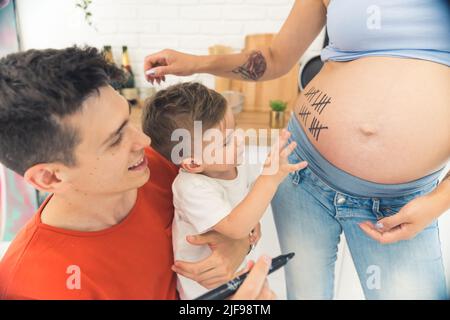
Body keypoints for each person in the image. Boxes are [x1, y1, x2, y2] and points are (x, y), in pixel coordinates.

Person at [143, 0, 450, 299]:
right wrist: (197, 63)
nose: (235, 141)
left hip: (401, 201)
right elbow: (275, 58)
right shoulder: (201, 182)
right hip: (302, 170)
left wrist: (438, 202)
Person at [0, 46, 274, 300]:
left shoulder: (156, 167)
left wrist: (238, 245)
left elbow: (240, 207)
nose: (143, 141)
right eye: (115, 138)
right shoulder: (33, 286)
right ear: (50, 177)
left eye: (127, 120)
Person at [142, 82, 306, 299]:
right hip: (206, 290)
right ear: (193, 164)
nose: (239, 140)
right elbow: (235, 227)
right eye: (226, 142)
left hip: (237, 269)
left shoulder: (234, 164)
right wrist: (269, 179)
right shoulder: (191, 187)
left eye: (235, 129)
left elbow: (248, 199)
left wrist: (253, 217)